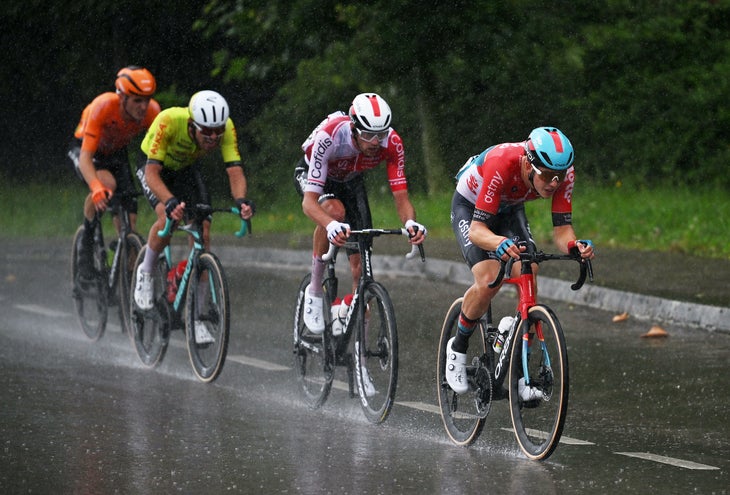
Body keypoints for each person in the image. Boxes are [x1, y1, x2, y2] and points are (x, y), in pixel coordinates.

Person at [446, 127, 595, 396]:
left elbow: (562, 231)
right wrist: (497, 243)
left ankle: (520, 372)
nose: (553, 183)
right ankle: (457, 347)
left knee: (529, 267)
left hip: (509, 207)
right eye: (547, 176)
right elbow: (478, 231)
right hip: (470, 208)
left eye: (558, 177)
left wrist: (575, 246)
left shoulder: (563, 173)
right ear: (528, 163)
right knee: (490, 278)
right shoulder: (502, 162)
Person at [294, 93, 427, 340]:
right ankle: (314, 288)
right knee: (335, 211)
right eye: (368, 135)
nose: (376, 142)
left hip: (351, 181)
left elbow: (401, 197)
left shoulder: (392, 142)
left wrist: (410, 223)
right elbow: (309, 204)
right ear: (354, 128)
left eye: (381, 134)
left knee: (361, 272)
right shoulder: (331, 136)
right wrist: (331, 224)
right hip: (315, 174)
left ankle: (358, 356)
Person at [133, 90, 256, 342]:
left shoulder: (226, 128)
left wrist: (241, 201)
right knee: (167, 217)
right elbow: (152, 174)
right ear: (192, 125)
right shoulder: (169, 121)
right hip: (154, 166)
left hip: (186, 169)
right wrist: (169, 202)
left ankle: (197, 314)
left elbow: (234, 171)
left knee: (203, 230)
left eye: (217, 132)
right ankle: (145, 272)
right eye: (206, 132)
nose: (213, 138)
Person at [68, 66, 161, 278]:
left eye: (147, 100)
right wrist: (96, 187)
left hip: (116, 153)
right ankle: (86, 244)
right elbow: (84, 158)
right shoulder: (103, 106)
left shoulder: (152, 112)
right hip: (86, 150)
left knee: (130, 214)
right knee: (106, 184)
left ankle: (124, 273)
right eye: (137, 100)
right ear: (122, 97)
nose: (143, 106)